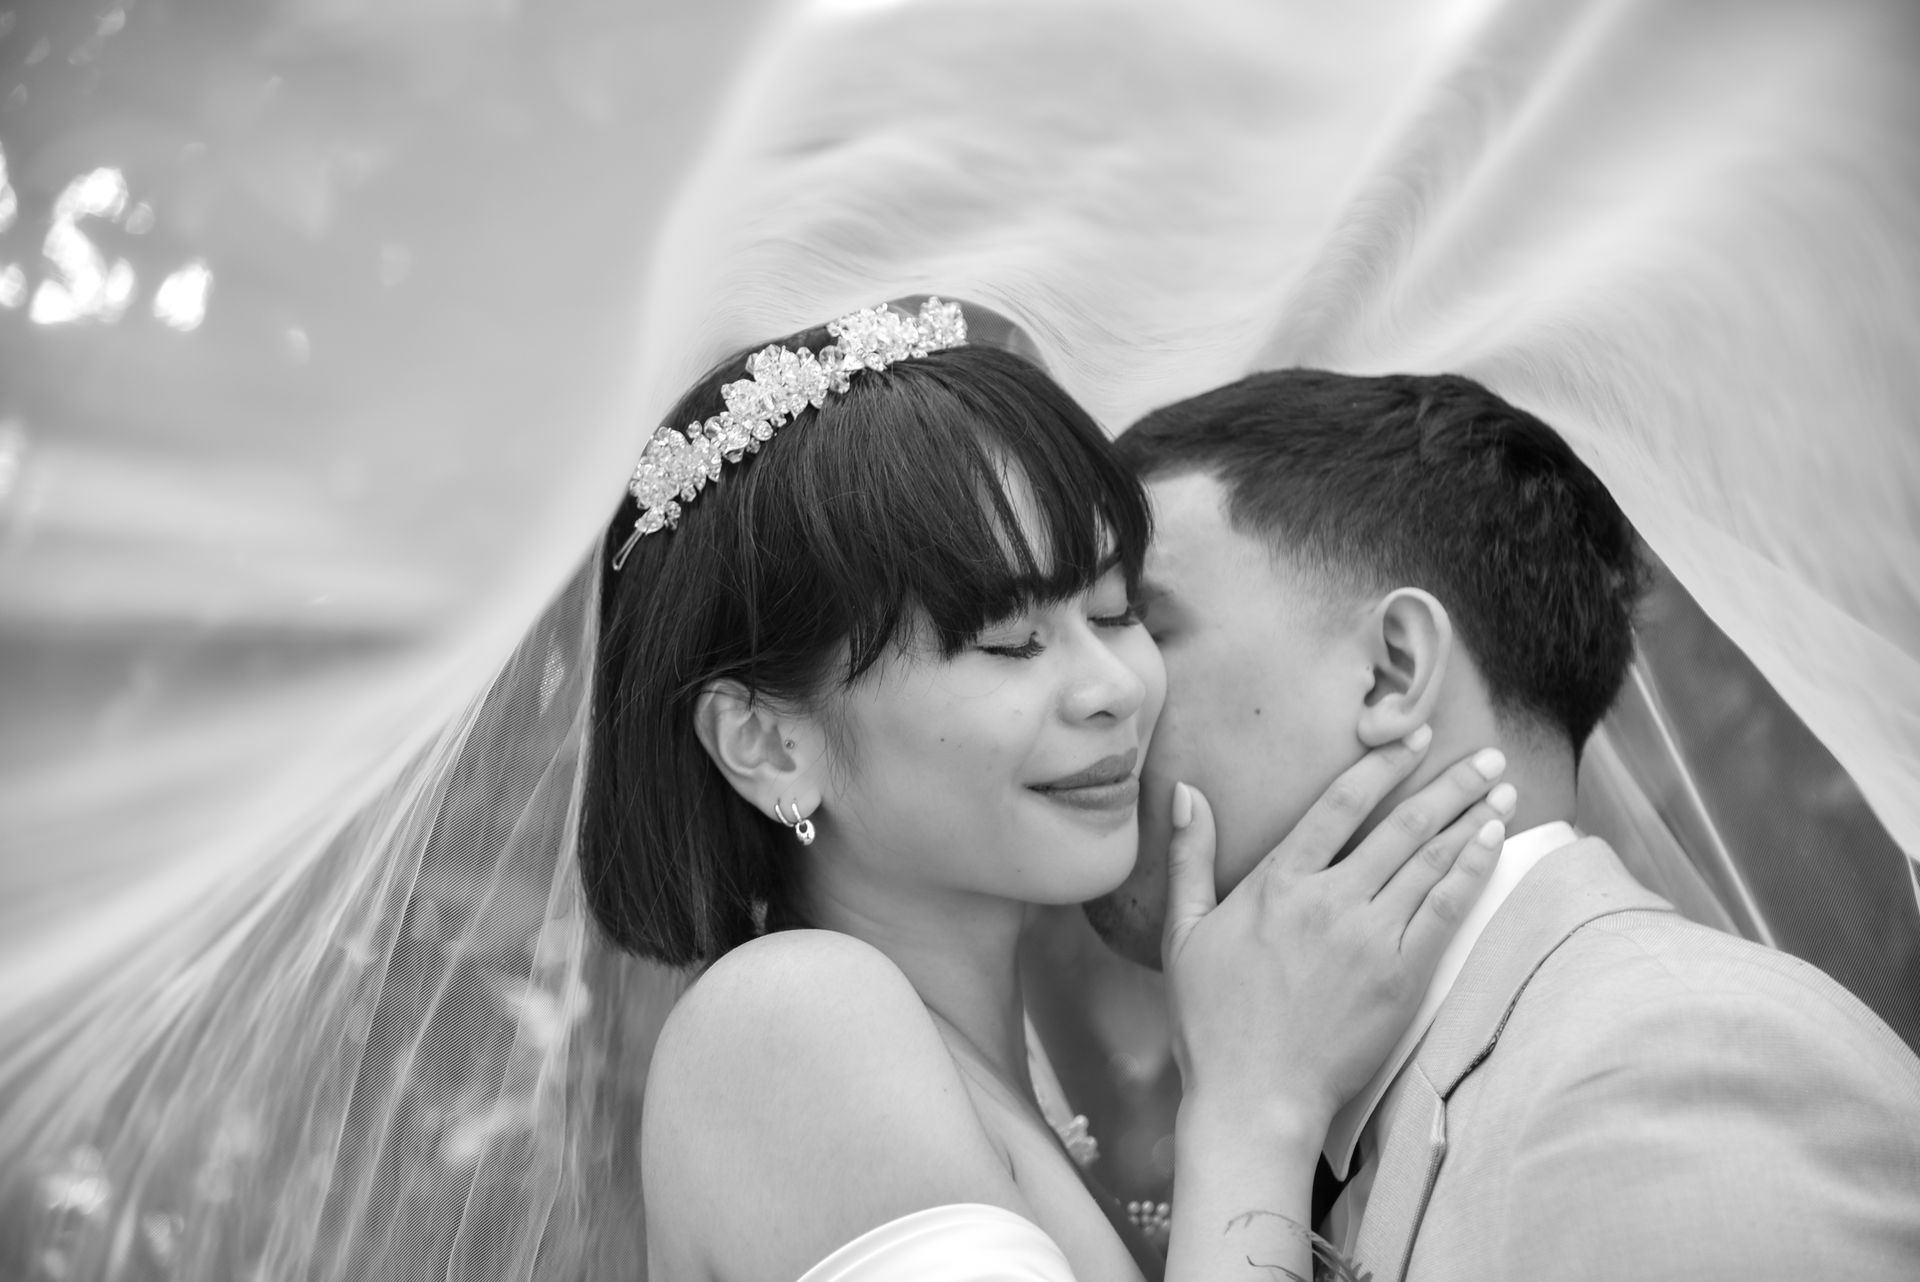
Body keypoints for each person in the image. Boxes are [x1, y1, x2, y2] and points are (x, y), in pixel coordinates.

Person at [580, 301, 1516, 1281]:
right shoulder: (791, 1019)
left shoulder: (997, 1061)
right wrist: (1256, 1103)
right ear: (768, 742)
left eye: (1116, 612)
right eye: (1011, 642)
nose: (1115, 688)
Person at [1087, 368, 1920, 1282]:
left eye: (1140, 623)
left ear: (1392, 672)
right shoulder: (1381, 1097)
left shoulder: (1673, 1071)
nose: (1103, 694)